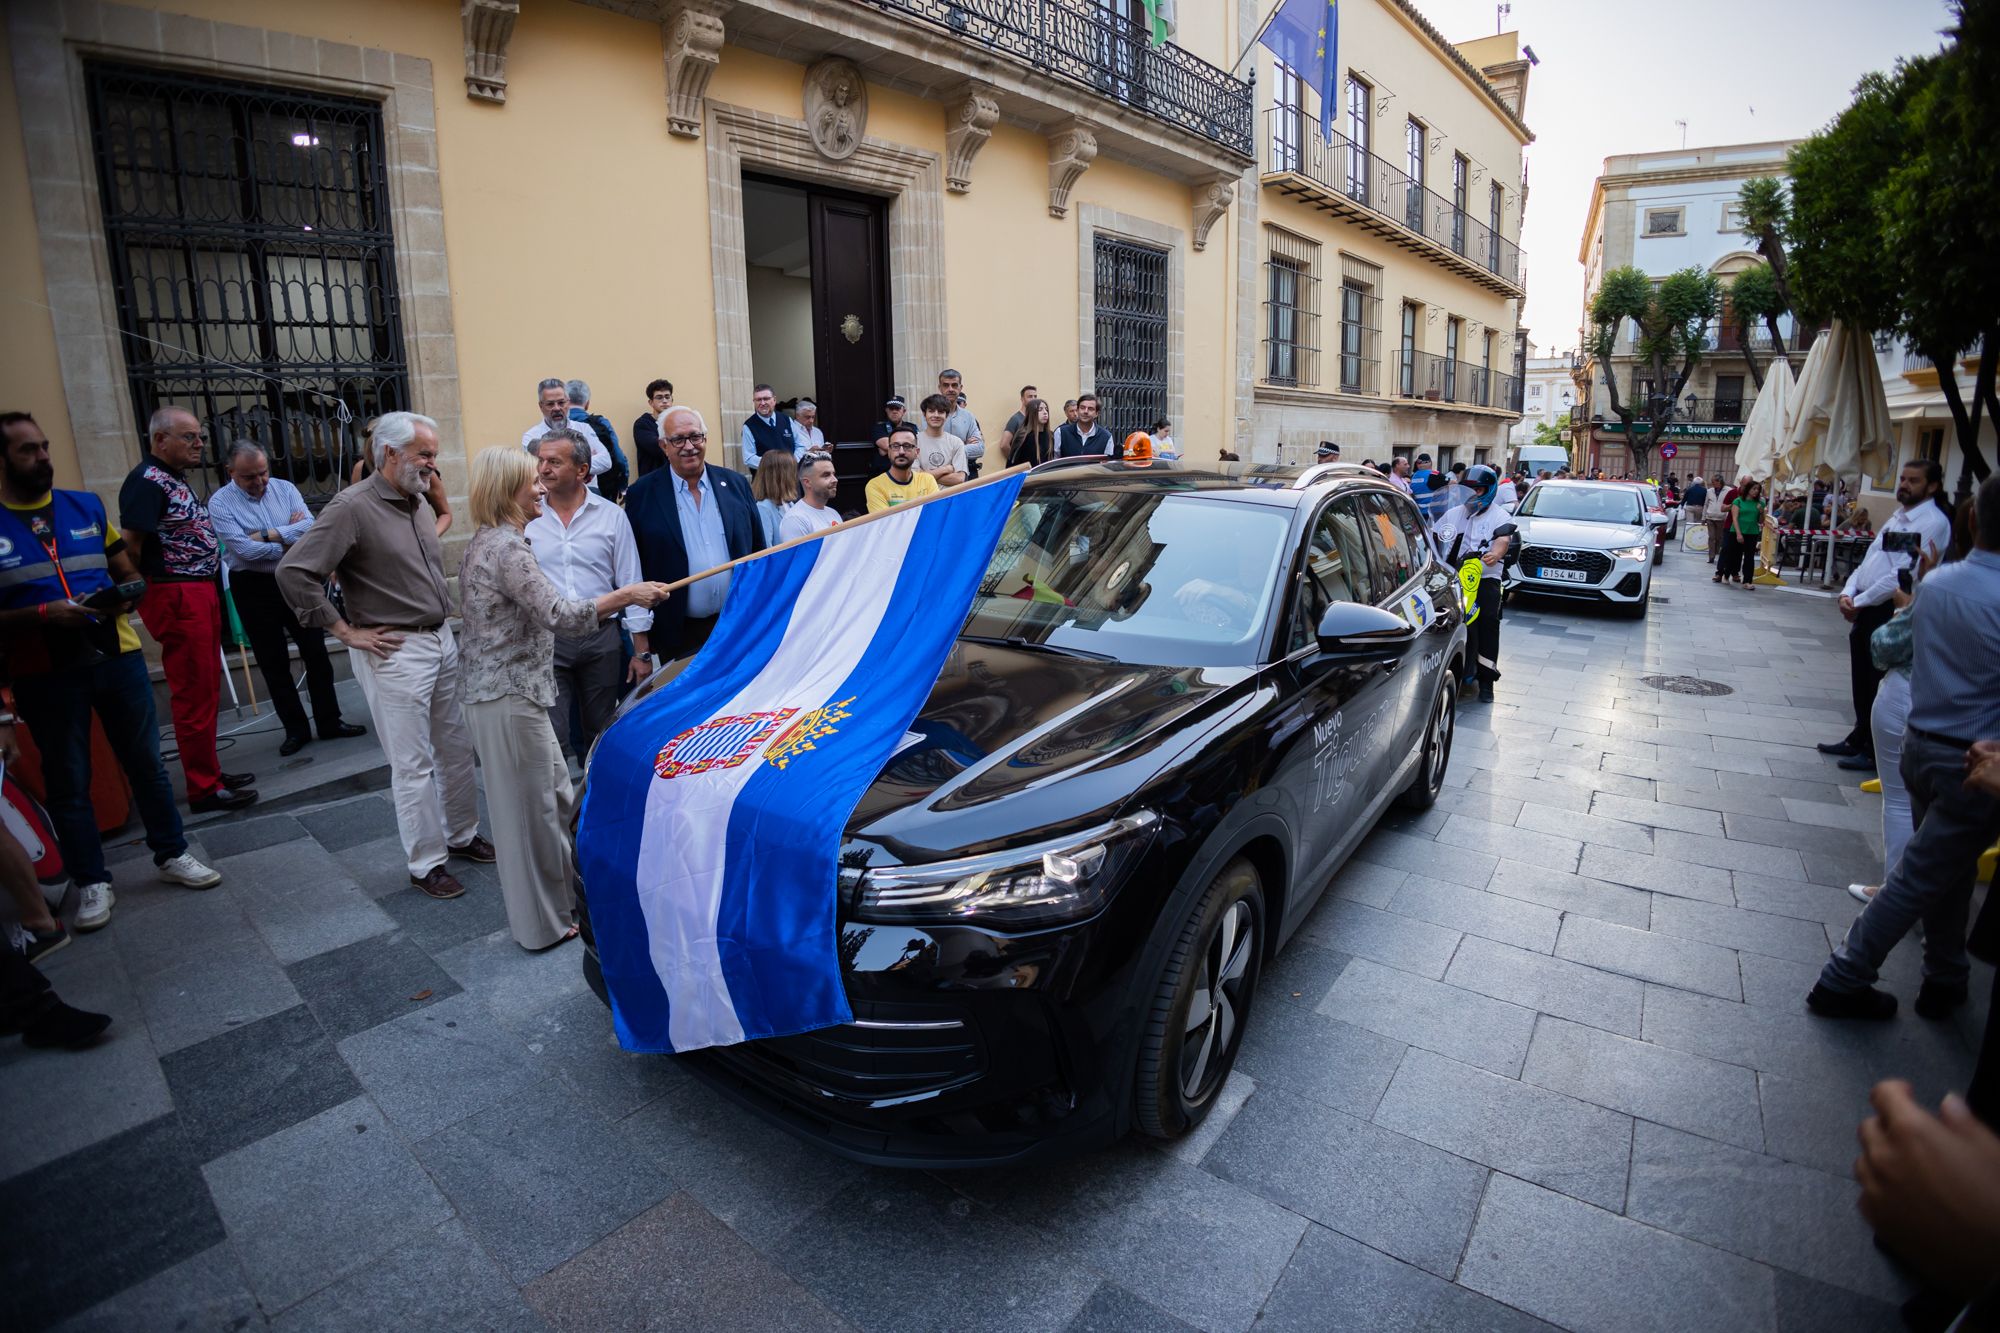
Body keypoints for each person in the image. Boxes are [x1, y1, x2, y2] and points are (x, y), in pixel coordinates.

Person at [0, 411, 221, 931]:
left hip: (114, 654)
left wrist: (127, 593)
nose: (44, 457)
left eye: (46, 446)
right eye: (28, 450)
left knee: (146, 763)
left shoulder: (84, 505)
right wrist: (41, 615)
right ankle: (92, 880)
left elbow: (125, 567)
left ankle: (172, 854)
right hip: (45, 668)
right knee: (69, 778)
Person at [458, 447, 670, 951]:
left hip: (516, 694)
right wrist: (626, 596)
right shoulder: (507, 548)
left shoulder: (498, 541)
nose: (540, 487)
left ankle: (560, 906)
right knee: (524, 818)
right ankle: (540, 928)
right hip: (507, 697)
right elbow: (560, 613)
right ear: (506, 489)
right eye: (530, 481)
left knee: (551, 799)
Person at [1807, 473, 2000, 1022]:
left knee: (1949, 869)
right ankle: (1843, 975)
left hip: (1920, 743)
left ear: (1969, 519)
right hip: (1975, 761)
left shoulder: (1939, 586)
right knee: (1921, 873)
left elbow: (1888, 646)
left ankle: (1945, 975)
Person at [278, 412, 492, 900]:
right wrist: (342, 631)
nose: (433, 465)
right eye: (426, 454)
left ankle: (461, 836)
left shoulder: (415, 498)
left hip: (440, 640)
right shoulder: (350, 507)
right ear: (390, 453)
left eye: (434, 454)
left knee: (456, 749)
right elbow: (294, 572)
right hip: (395, 650)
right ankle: (426, 863)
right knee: (412, 762)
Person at [119, 407, 256, 813]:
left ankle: (209, 770)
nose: (199, 444)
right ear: (160, 440)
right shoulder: (146, 482)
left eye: (199, 436)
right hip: (176, 593)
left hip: (198, 589)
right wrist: (139, 592)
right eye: (189, 437)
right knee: (193, 691)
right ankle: (203, 788)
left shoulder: (172, 479)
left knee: (206, 686)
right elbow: (130, 548)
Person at [207, 442, 365, 757]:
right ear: (231, 473)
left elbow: (311, 528)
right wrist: (289, 537)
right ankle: (296, 731)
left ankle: (329, 721)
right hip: (253, 586)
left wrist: (266, 535)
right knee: (273, 661)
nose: (259, 481)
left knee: (316, 652)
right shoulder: (220, 503)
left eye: (263, 473)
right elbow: (243, 551)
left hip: (295, 580)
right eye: (250, 476)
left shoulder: (285, 488)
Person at [527, 428, 655, 758]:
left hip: (601, 638)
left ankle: (593, 798)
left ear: (582, 470)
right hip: (548, 638)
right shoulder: (528, 516)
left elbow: (632, 582)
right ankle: (558, 805)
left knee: (601, 728)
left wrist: (641, 653)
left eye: (554, 461)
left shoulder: (612, 517)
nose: (543, 469)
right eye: (541, 460)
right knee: (551, 732)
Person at [1820, 460, 1954, 773]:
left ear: (1932, 486)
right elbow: (1871, 561)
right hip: (1866, 604)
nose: (1904, 484)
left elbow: (1900, 574)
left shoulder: (1932, 522)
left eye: (1913, 480)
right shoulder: (1898, 517)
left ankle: (1871, 749)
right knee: (1860, 675)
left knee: (1874, 677)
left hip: (1889, 607)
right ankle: (1859, 735)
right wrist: (1848, 592)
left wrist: (1860, 601)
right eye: (1903, 478)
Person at [623, 406, 763, 660]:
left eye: (695, 437)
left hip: (736, 625)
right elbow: (633, 568)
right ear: (663, 445)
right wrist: (641, 644)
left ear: (705, 439)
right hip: (679, 634)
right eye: (678, 439)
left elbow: (758, 552)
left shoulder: (736, 485)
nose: (689, 446)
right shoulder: (642, 495)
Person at [1432, 464, 1513, 704]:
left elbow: (1503, 540)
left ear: (1487, 490)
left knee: (1488, 621)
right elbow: (1434, 537)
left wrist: (1496, 554)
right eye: (1468, 489)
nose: (1472, 495)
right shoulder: (1454, 513)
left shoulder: (1500, 515)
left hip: (1486, 578)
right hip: (1453, 577)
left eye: (1477, 490)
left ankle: (1487, 681)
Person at [351, 417, 452, 537]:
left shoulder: (426, 473)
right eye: (424, 455)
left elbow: (445, 514)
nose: (433, 464)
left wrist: (430, 538)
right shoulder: (360, 470)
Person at [521, 378, 610, 488]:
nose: (557, 408)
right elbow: (536, 470)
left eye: (561, 402)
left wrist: (558, 465)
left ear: (568, 402)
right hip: (549, 494)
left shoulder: (584, 429)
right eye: (550, 404)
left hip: (588, 492)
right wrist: (581, 466)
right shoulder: (532, 436)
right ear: (541, 406)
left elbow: (606, 461)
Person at [566, 379, 629, 504]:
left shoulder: (556, 426)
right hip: (604, 488)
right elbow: (619, 458)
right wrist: (623, 485)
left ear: (565, 401)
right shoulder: (601, 423)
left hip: (568, 490)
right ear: (587, 403)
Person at [866, 426, 940, 512]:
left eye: (907, 446)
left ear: (917, 452)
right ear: (889, 451)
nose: (901, 451)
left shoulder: (927, 480)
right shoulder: (875, 486)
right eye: (895, 446)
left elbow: (935, 514)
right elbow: (886, 523)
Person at [781, 451, 841, 541]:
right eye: (826, 475)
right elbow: (800, 555)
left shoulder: (833, 513)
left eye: (833, 474)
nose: (835, 480)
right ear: (807, 482)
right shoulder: (796, 519)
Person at [937, 370, 984, 478]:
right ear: (940, 388)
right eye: (946, 385)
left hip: (966, 474)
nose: (950, 389)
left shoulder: (968, 416)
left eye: (954, 385)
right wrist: (963, 445)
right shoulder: (931, 416)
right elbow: (931, 448)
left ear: (960, 387)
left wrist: (954, 450)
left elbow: (980, 449)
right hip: (941, 476)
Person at [915, 393, 969, 486]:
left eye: (940, 412)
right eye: (931, 411)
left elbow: (959, 479)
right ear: (924, 414)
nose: (936, 415)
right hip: (923, 498)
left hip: (949, 499)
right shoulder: (914, 441)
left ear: (946, 415)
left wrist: (925, 475)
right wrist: (945, 469)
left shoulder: (956, 442)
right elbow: (915, 478)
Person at [740, 383, 795, 472]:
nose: (762, 403)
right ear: (754, 402)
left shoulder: (787, 420)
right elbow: (748, 458)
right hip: (765, 481)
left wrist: (793, 461)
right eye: (758, 400)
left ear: (774, 400)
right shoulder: (749, 426)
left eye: (766, 399)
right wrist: (776, 464)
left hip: (790, 477)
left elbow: (800, 445)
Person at [752, 448, 801, 546]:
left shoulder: (788, 502)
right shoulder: (764, 508)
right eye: (792, 471)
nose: (795, 476)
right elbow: (767, 550)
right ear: (781, 476)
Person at [1721, 479, 1765, 586]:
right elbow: (1734, 518)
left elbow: (1761, 521)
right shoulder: (1738, 501)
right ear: (1748, 489)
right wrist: (1738, 533)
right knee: (1733, 555)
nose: (1756, 491)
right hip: (1736, 531)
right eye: (1754, 489)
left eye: (1758, 490)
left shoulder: (1760, 503)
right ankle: (1726, 574)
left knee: (1749, 557)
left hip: (1752, 532)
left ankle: (1747, 581)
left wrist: (1761, 512)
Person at [632, 379, 674, 478]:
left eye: (667, 397)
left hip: (677, 480)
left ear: (672, 400)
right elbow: (660, 448)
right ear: (651, 402)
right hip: (653, 481)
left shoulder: (678, 423)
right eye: (659, 397)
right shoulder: (642, 424)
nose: (664, 401)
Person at [1007, 398, 1058, 468]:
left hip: (1047, 476)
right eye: (1040, 410)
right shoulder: (1023, 436)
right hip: (1028, 477)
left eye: (1046, 409)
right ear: (1032, 412)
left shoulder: (1051, 435)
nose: (1045, 412)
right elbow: (1012, 463)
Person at [999, 386, 1037, 462]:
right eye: (1030, 396)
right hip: (1022, 467)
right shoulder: (1015, 419)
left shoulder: (1036, 419)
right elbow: (1004, 445)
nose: (1033, 399)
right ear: (1022, 399)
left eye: (1035, 396)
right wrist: (1015, 461)